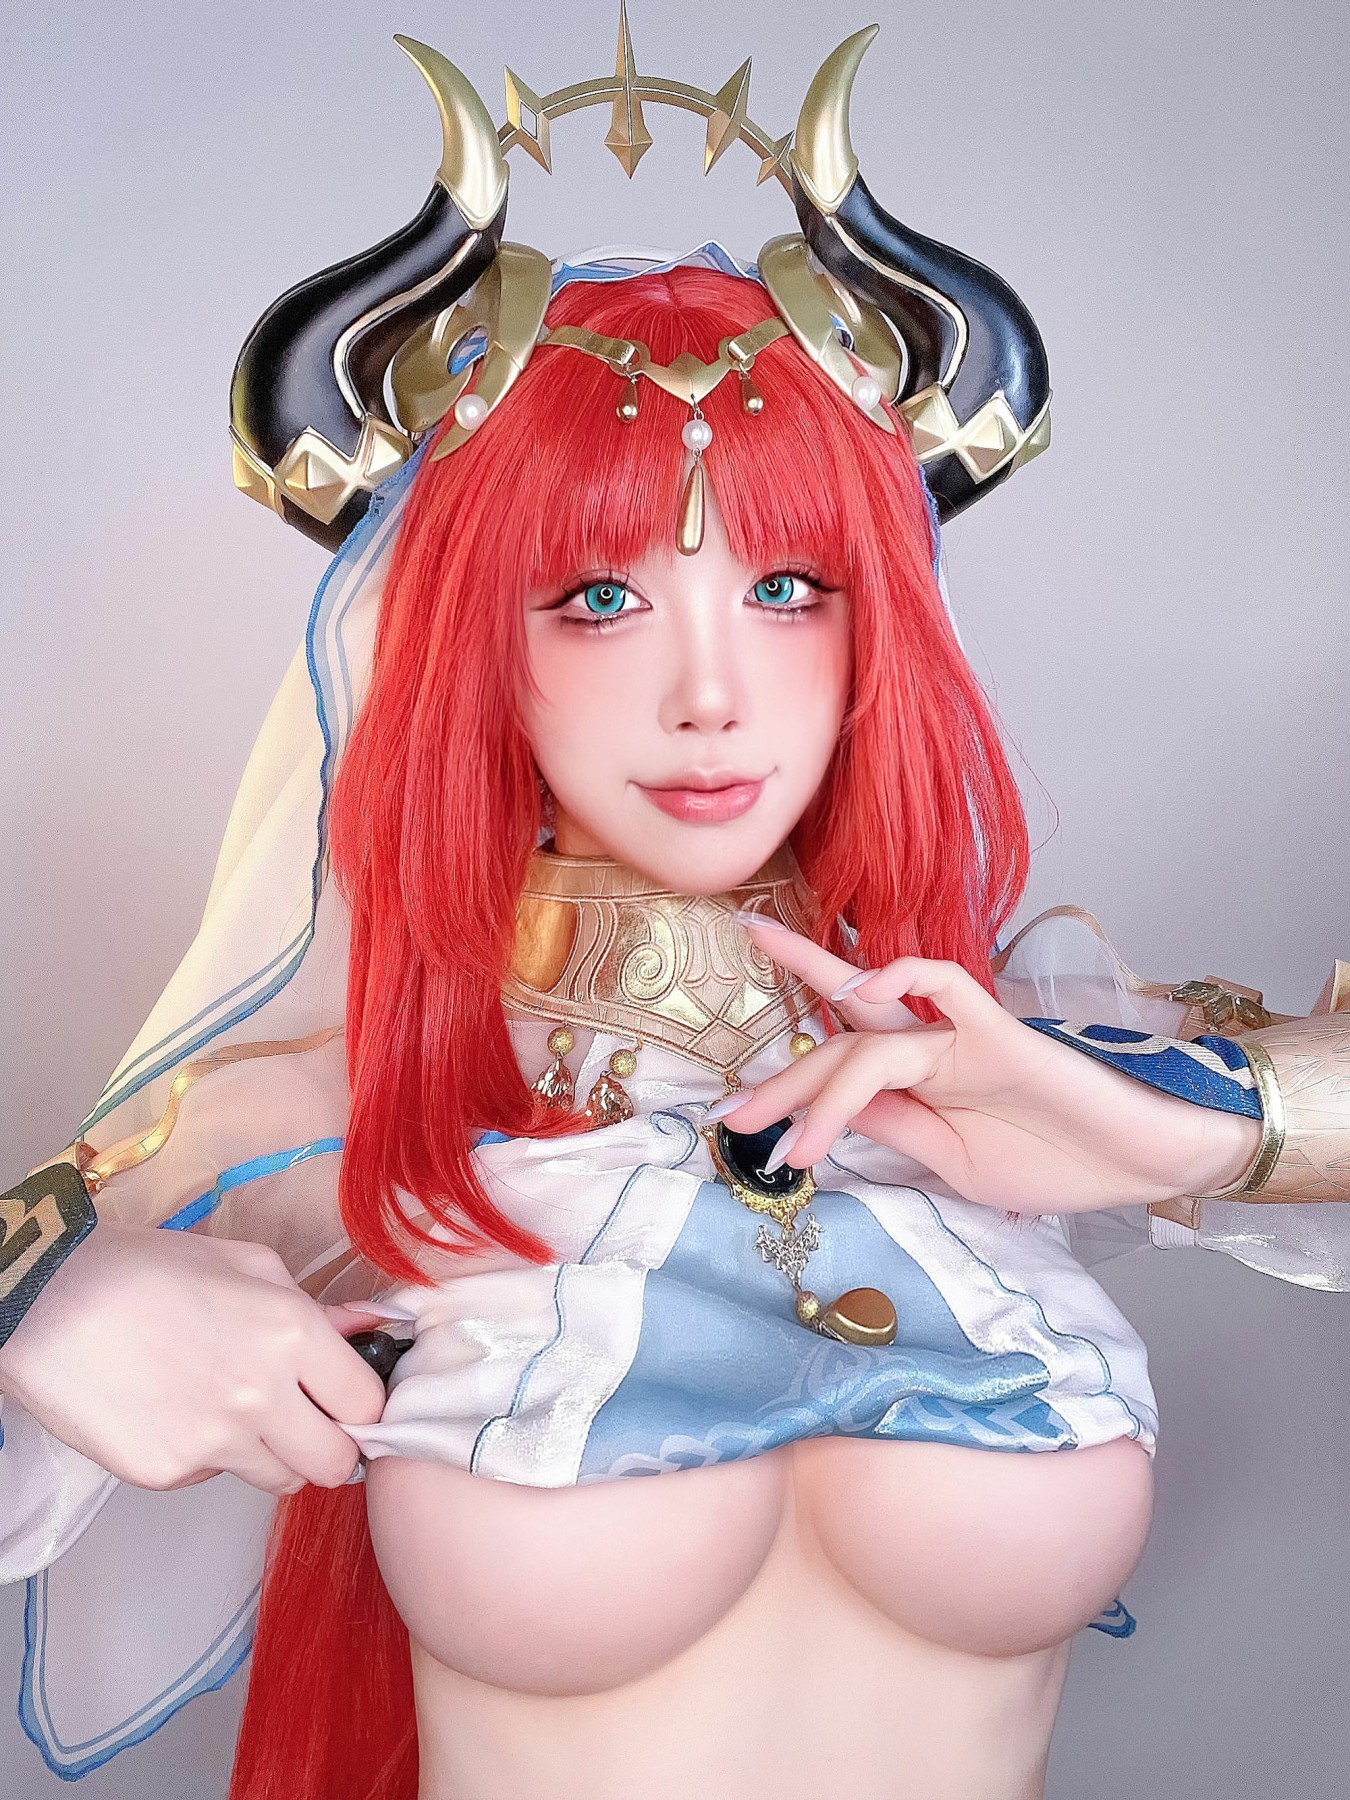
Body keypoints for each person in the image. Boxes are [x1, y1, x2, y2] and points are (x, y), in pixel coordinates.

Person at [1, 19, 1346, 1800]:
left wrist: (1171, 1130)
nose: (709, 697)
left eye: (787, 588)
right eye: (595, 599)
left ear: (878, 627)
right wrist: (39, 1305)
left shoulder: (994, 1056)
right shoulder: (332, 1118)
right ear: (465, 648)